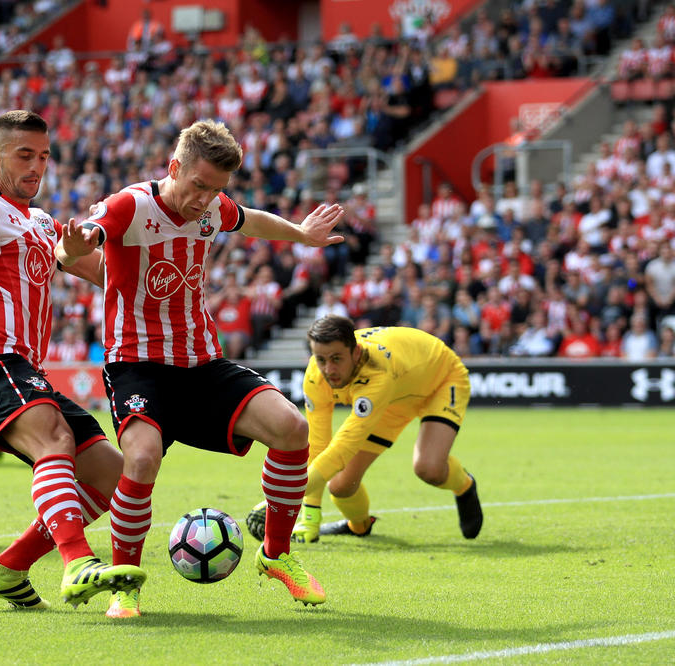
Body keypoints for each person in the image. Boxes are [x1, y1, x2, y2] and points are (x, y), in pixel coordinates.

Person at [56, 119, 345, 618]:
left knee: (292, 428)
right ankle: (126, 585)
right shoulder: (131, 205)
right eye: (199, 185)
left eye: (216, 189)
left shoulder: (212, 207)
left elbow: (250, 220)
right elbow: (76, 243)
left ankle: (276, 555)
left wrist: (300, 233)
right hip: (138, 366)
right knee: (140, 460)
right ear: (174, 168)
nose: (205, 199)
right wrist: (73, 249)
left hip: (201, 363)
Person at [0, 110, 146, 609]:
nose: (36, 166)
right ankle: (78, 562)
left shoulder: (45, 222)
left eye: (43, 156)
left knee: (113, 475)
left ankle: (9, 569)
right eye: (24, 155)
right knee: (55, 440)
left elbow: (108, 276)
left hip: (27, 370)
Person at [248, 315, 482, 544]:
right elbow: (318, 445)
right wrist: (310, 517)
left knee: (428, 468)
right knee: (341, 486)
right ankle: (359, 526)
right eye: (321, 359)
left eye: (337, 359)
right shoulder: (315, 377)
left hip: (441, 381)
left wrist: (282, 498)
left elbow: (342, 448)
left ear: (356, 353)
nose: (329, 369)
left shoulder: (378, 372)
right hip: (395, 398)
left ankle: (465, 486)